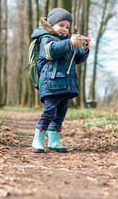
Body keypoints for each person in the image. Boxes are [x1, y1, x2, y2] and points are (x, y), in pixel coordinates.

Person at [30, 8, 90, 153]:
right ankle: (37, 140)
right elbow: (51, 52)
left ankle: (54, 141)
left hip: (65, 84)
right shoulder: (46, 38)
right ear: (52, 25)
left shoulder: (66, 42)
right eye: (61, 25)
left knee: (60, 115)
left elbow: (77, 59)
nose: (64, 29)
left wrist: (83, 48)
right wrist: (70, 42)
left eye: (67, 27)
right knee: (49, 112)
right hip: (51, 83)